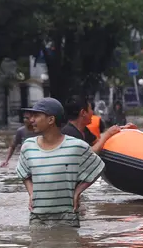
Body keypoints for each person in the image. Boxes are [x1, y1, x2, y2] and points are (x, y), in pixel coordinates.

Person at [16, 98, 105, 228]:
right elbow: (23, 173)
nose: (31, 120)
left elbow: (98, 167)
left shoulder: (76, 146)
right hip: (38, 217)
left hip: (67, 216)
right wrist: (31, 193)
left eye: (36, 116)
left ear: (51, 120)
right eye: (31, 116)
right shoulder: (28, 146)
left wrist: (78, 191)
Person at [62, 95, 132, 154]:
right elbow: (90, 154)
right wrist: (108, 134)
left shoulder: (84, 130)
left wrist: (122, 129)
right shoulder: (69, 133)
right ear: (83, 113)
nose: (92, 112)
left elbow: (98, 143)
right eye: (90, 109)